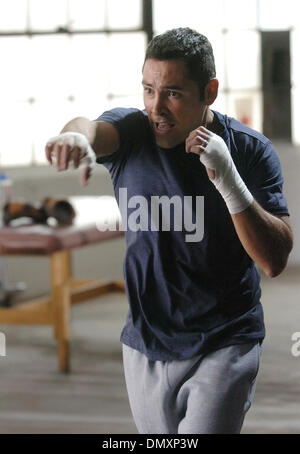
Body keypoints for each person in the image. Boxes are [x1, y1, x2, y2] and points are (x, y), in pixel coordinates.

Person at [45, 28, 293, 434]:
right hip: (146, 342)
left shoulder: (249, 150)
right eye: (148, 89)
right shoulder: (133, 132)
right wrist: (76, 136)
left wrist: (229, 180)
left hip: (224, 340)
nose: (156, 108)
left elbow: (274, 260)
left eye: (174, 93)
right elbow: (91, 127)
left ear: (209, 92)